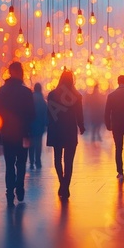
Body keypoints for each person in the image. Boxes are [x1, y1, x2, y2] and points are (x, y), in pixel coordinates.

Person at [0, 62, 36, 206]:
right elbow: (32, 115)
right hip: (24, 134)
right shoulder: (27, 93)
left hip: (7, 134)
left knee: (9, 163)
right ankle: (20, 187)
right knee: (21, 162)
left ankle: (10, 191)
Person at [46, 70, 85, 199]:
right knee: (69, 161)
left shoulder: (52, 95)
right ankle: (65, 186)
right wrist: (81, 126)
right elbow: (79, 113)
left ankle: (62, 183)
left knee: (57, 158)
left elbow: (50, 113)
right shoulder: (76, 95)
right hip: (69, 130)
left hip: (56, 130)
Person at [29, 83, 48, 169]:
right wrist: (45, 124)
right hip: (39, 125)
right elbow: (45, 113)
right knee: (38, 144)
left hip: (30, 125)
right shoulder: (42, 100)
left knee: (31, 144)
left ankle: (31, 161)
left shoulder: (30, 98)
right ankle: (38, 161)